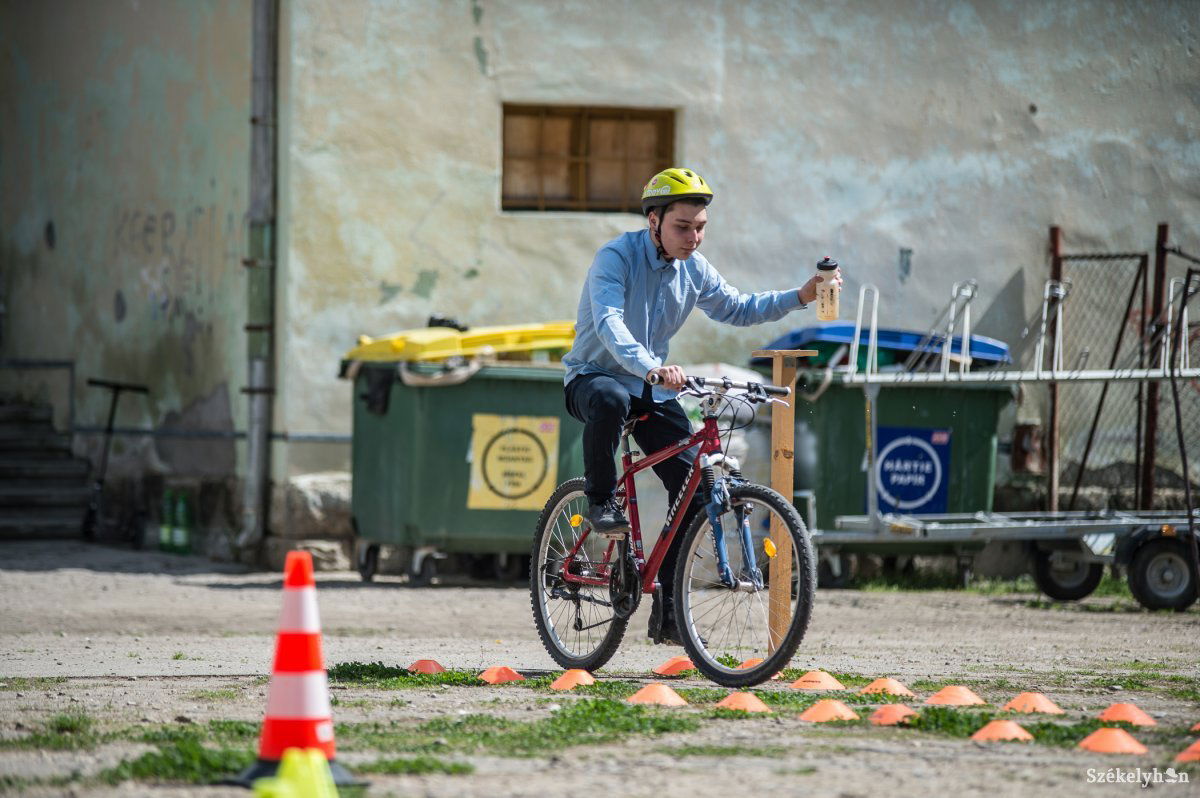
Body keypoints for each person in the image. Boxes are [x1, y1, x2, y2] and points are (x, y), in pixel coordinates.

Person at [561, 167, 841, 646]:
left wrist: (801, 295)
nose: (694, 237)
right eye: (683, 227)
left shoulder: (695, 268)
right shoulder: (615, 257)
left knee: (693, 487)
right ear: (654, 221)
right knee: (608, 397)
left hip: (652, 388)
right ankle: (601, 501)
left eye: (701, 226)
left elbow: (739, 307)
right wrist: (650, 366)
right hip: (595, 377)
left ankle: (668, 613)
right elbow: (608, 323)